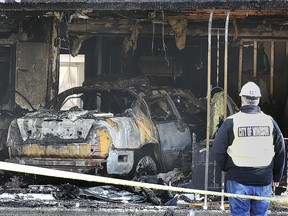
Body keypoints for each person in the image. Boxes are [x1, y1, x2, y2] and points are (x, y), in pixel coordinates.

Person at [213, 81, 286, 216]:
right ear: (258, 100)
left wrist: (228, 169)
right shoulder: (269, 121)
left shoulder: (232, 121)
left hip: (238, 179)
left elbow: (217, 150)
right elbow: (280, 150)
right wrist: (277, 176)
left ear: (242, 99)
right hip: (264, 179)